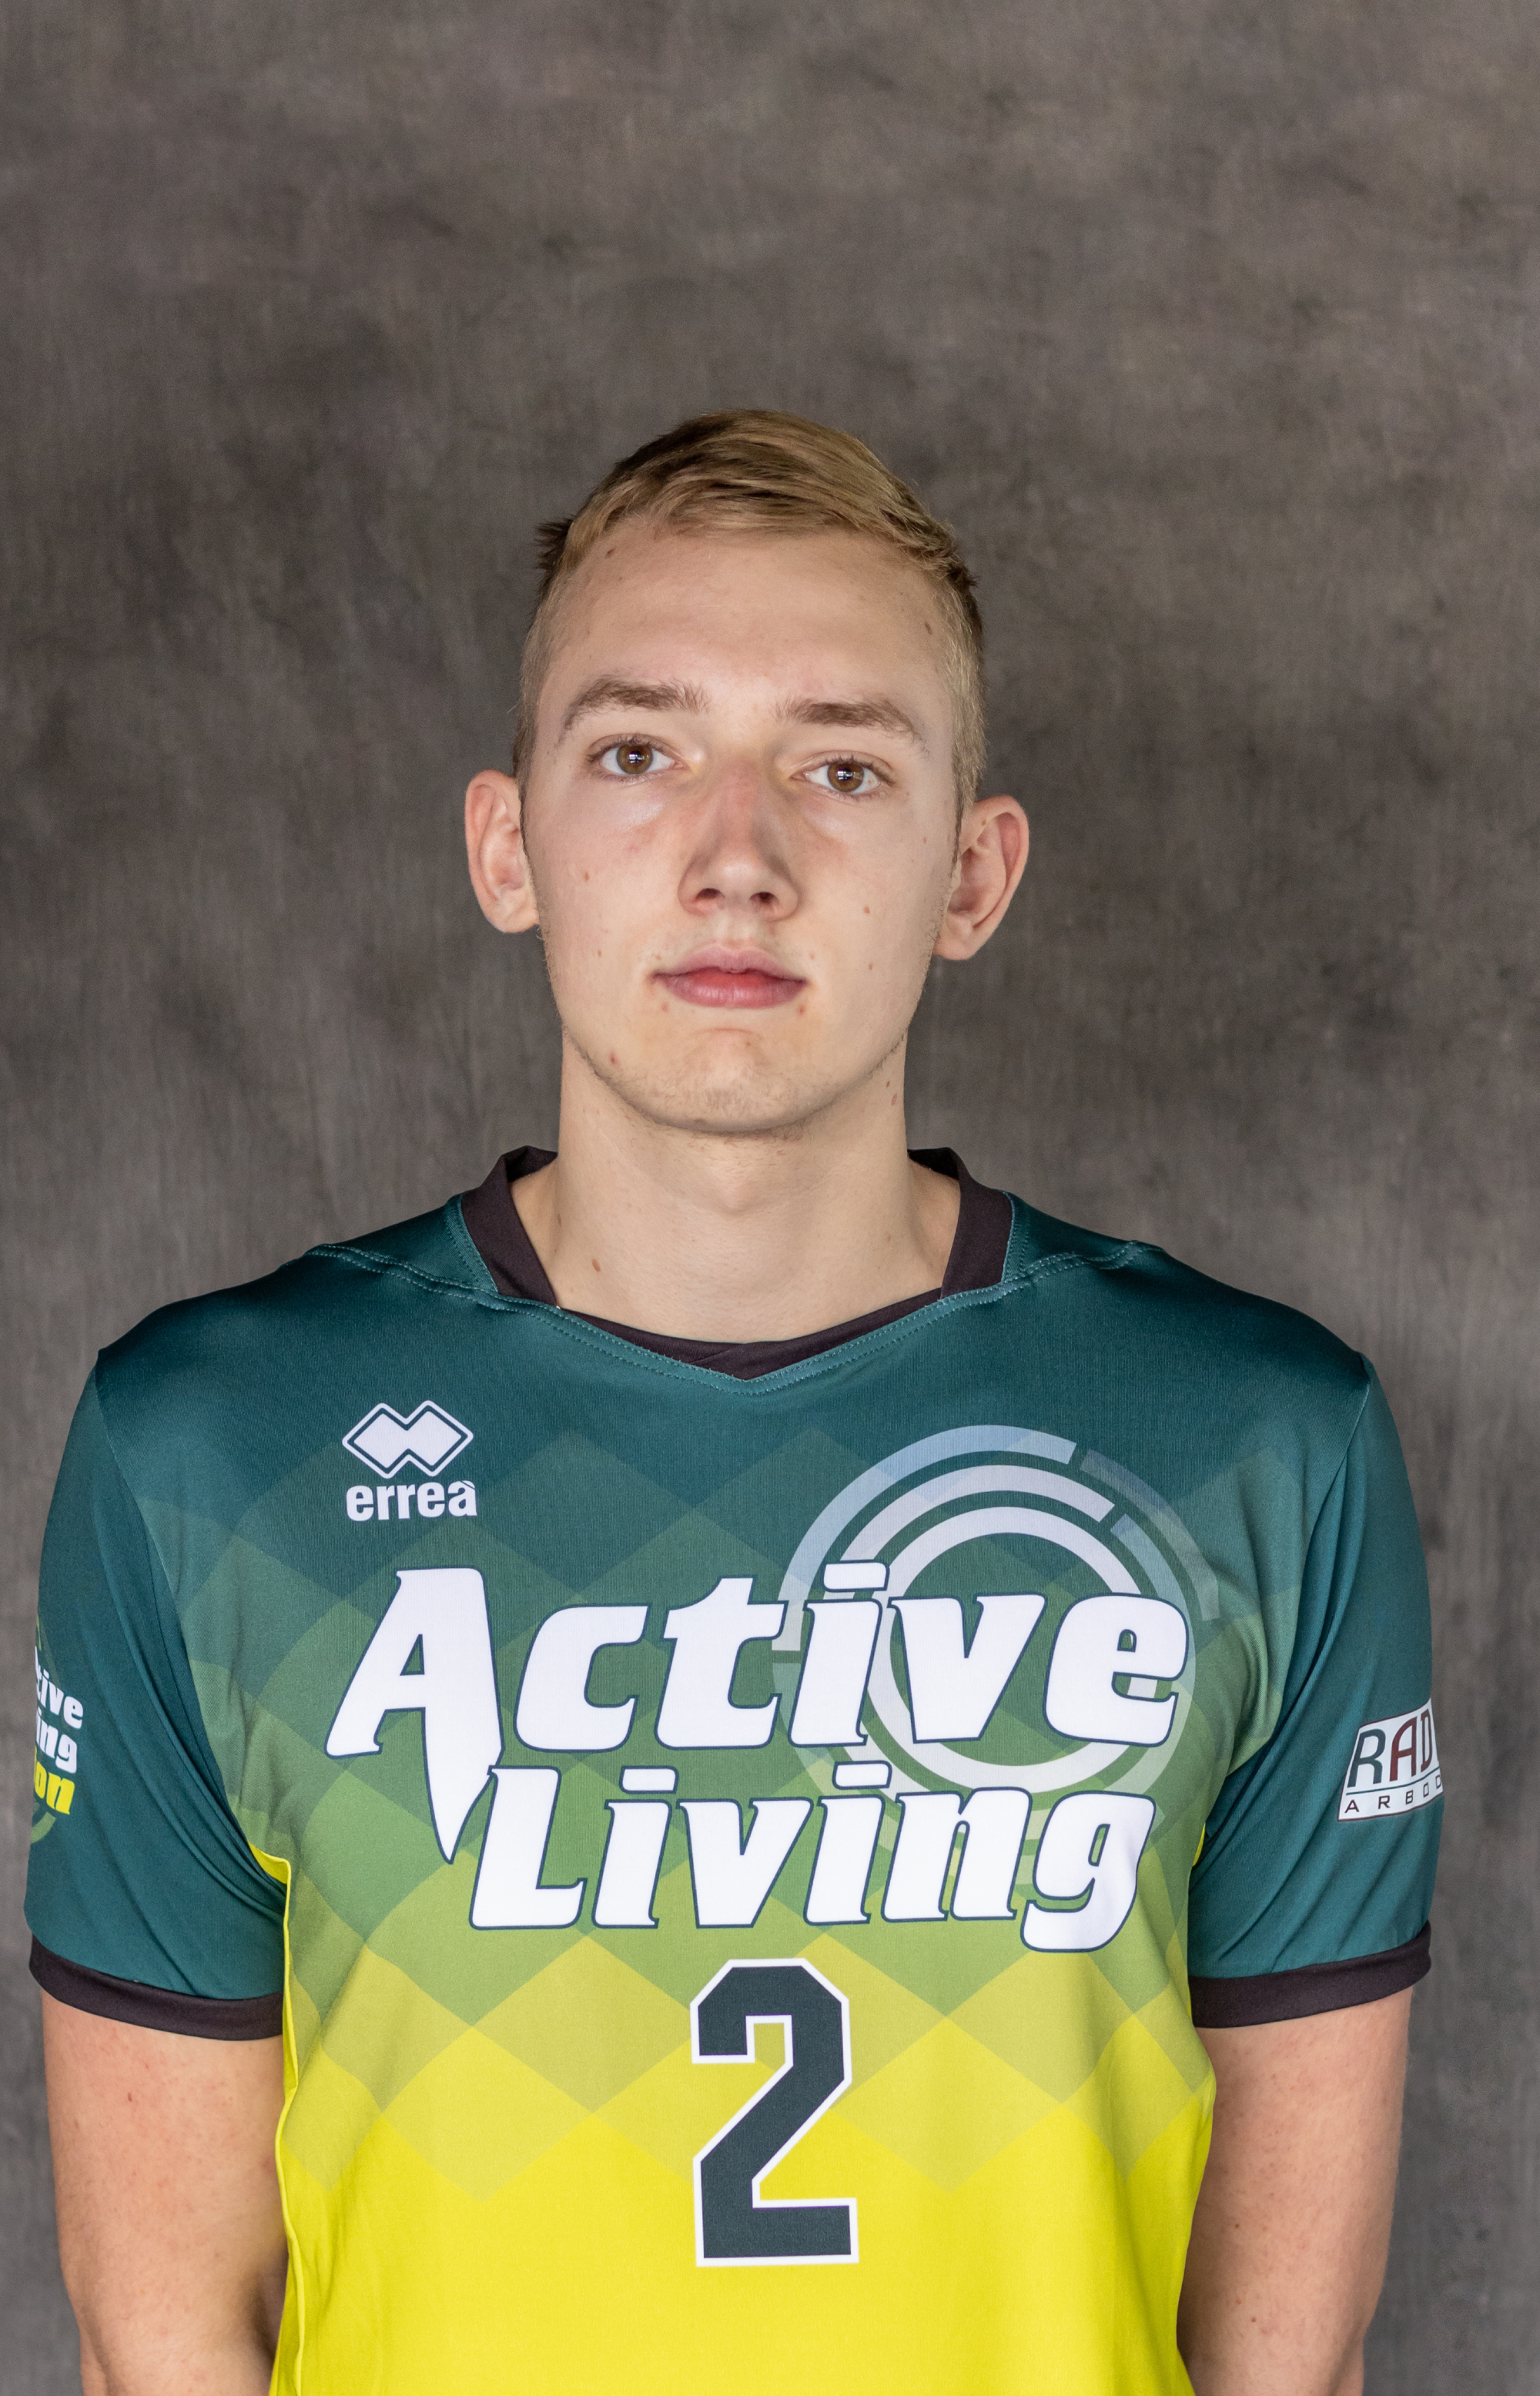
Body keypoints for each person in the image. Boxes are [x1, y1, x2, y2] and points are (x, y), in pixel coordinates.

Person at [28, 411, 1441, 2396]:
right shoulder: (205, 1452)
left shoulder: (1260, 1446)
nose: (737, 860)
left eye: (841, 767)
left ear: (975, 872)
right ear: (507, 848)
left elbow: (1289, 2358)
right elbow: (164, 2338)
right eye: (638, 753)